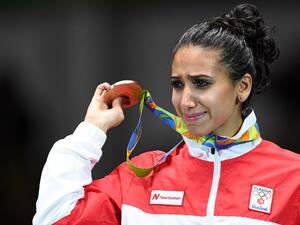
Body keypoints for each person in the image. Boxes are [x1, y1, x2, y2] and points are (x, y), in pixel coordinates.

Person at [33, 3, 300, 225]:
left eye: (201, 83)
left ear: (242, 87)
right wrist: (91, 130)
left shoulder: (293, 176)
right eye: (177, 84)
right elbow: (55, 219)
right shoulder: (141, 176)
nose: (185, 101)